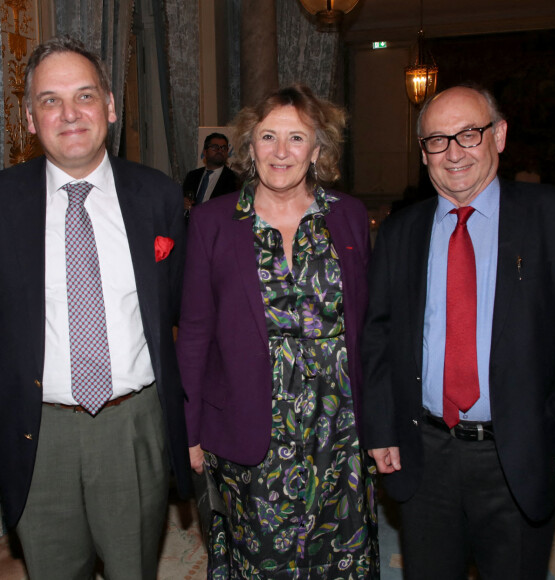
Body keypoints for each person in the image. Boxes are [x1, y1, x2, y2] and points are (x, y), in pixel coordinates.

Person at [362, 84, 555, 579]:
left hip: (520, 452)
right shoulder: (401, 231)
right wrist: (379, 428)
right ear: (424, 153)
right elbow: (377, 337)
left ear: (499, 136)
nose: (453, 152)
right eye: (437, 140)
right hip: (425, 453)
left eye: (469, 134)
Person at [0, 36, 191, 579]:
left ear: (110, 106)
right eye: (50, 100)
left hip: (132, 428)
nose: (69, 114)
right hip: (38, 434)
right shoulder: (3, 202)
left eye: (84, 96)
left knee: (134, 569)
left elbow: (181, 310)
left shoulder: (158, 197)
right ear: (30, 120)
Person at [176, 84, 378, 578]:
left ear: (318, 149)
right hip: (252, 425)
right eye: (268, 137)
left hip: (342, 429)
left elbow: (372, 325)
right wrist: (190, 429)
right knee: (263, 557)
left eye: (296, 138)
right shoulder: (212, 222)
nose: (281, 152)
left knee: (341, 554)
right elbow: (196, 331)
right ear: (249, 146)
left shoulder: (348, 216)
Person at [182, 132, 239, 215]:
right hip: (191, 225)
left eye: (223, 148)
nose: (220, 150)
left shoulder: (235, 180)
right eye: (215, 147)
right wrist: (182, 204)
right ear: (205, 152)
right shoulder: (192, 176)